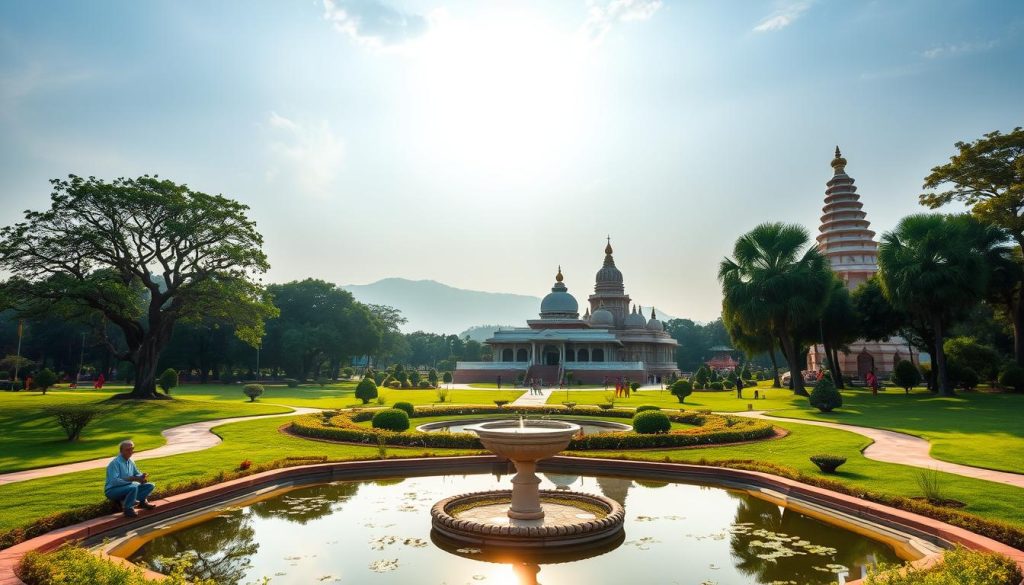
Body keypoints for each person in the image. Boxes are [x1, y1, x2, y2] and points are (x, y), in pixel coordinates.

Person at [105, 440, 156, 517]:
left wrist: (141, 477)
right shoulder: (115, 463)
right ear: (121, 451)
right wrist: (131, 480)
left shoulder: (131, 461)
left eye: (132, 449)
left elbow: (137, 473)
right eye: (127, 450)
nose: (130, 451)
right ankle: (128, 509)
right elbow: (114, 481)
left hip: (128, 488)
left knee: (150, 486)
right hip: (112, 490)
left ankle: (141, 502)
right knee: (133, 487)